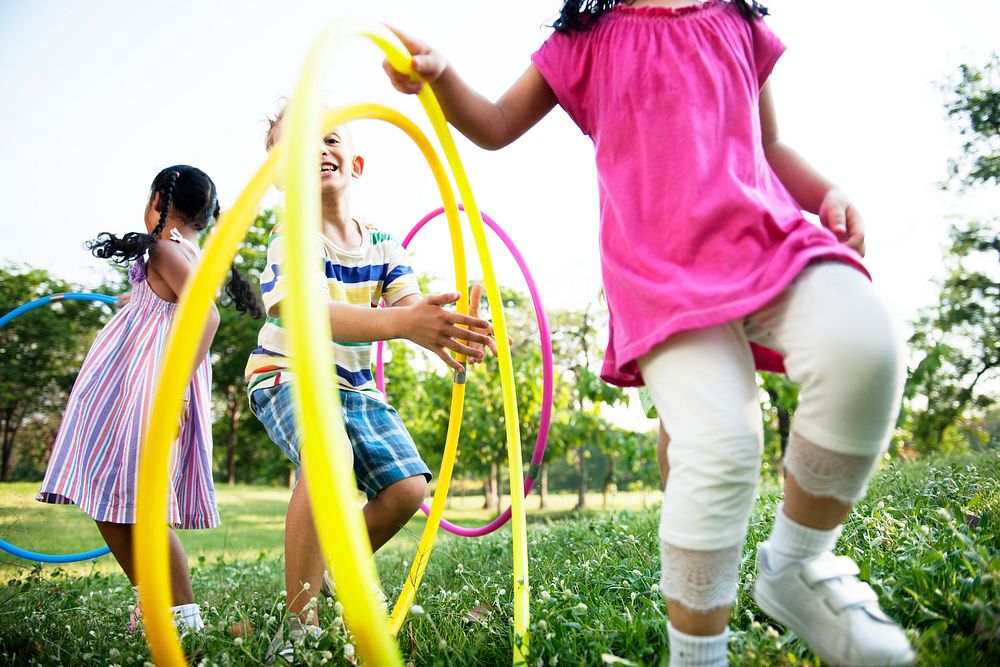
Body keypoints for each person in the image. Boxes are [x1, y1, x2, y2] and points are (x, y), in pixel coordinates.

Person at [383, 2, 914, 665]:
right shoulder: (586, 41)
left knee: (862, 341)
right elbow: (493, 123)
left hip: (766, 236)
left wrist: (826, 189)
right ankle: (697, 654)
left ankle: (798, 565)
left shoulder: (738, 21)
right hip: (660, 271)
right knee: (721, 443)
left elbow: (769, 144)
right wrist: (442, 76)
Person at [244, 110, 496, 653]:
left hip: (354, 386)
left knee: (408, 490)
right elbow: (305, 311)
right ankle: (297, 623)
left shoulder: (383, 245)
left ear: (354, 163)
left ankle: (330, 566)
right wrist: (405, 322)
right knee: (327, 452)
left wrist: (449, 332)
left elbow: (411, 309)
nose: (317, 149)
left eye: (329, 138)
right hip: (286, 374)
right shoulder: (290, 237)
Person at [37, 165, 263, 632]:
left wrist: (174, 389)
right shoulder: (188, 253)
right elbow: (168, 305)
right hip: (134, 385)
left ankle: (179, 618)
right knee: (118, 499)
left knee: (137, 505)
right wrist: (138, 298)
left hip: (142, 389)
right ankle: (161, 607)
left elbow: (205, 317)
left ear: (159, 200)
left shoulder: (164, 247)